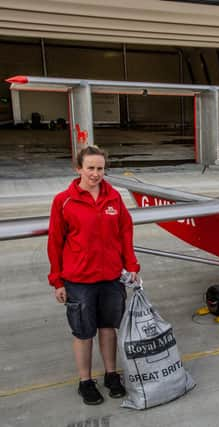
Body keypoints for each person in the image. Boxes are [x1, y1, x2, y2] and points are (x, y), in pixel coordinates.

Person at [47, 145, 140, 405]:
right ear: (79, 169)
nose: (96, 174)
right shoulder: (63, 200)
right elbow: (55, 242)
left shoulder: (114, 198)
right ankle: (85, 381)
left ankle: (111, 375)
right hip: (79, 281)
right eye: (90, 168)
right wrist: (57, 280)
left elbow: (125, 232)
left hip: (110, 277)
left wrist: (131, 265)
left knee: (108, 328)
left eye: (100, 168)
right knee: (84, 333)